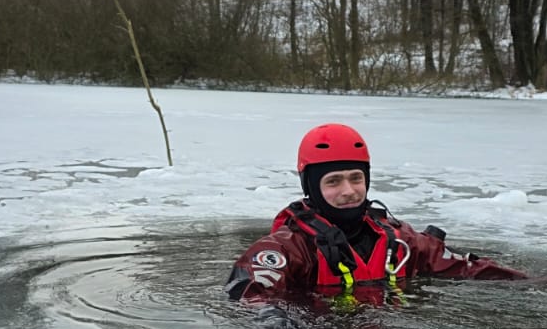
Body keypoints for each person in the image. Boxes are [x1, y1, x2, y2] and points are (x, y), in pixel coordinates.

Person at [225, 122, 527, 305]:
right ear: (311, 187)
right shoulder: (287, 248)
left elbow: (464, 267)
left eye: (356, 178)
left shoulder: (400, 240)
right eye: (333, 181)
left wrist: (530, 282)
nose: (348, 191)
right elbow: (247, 294)